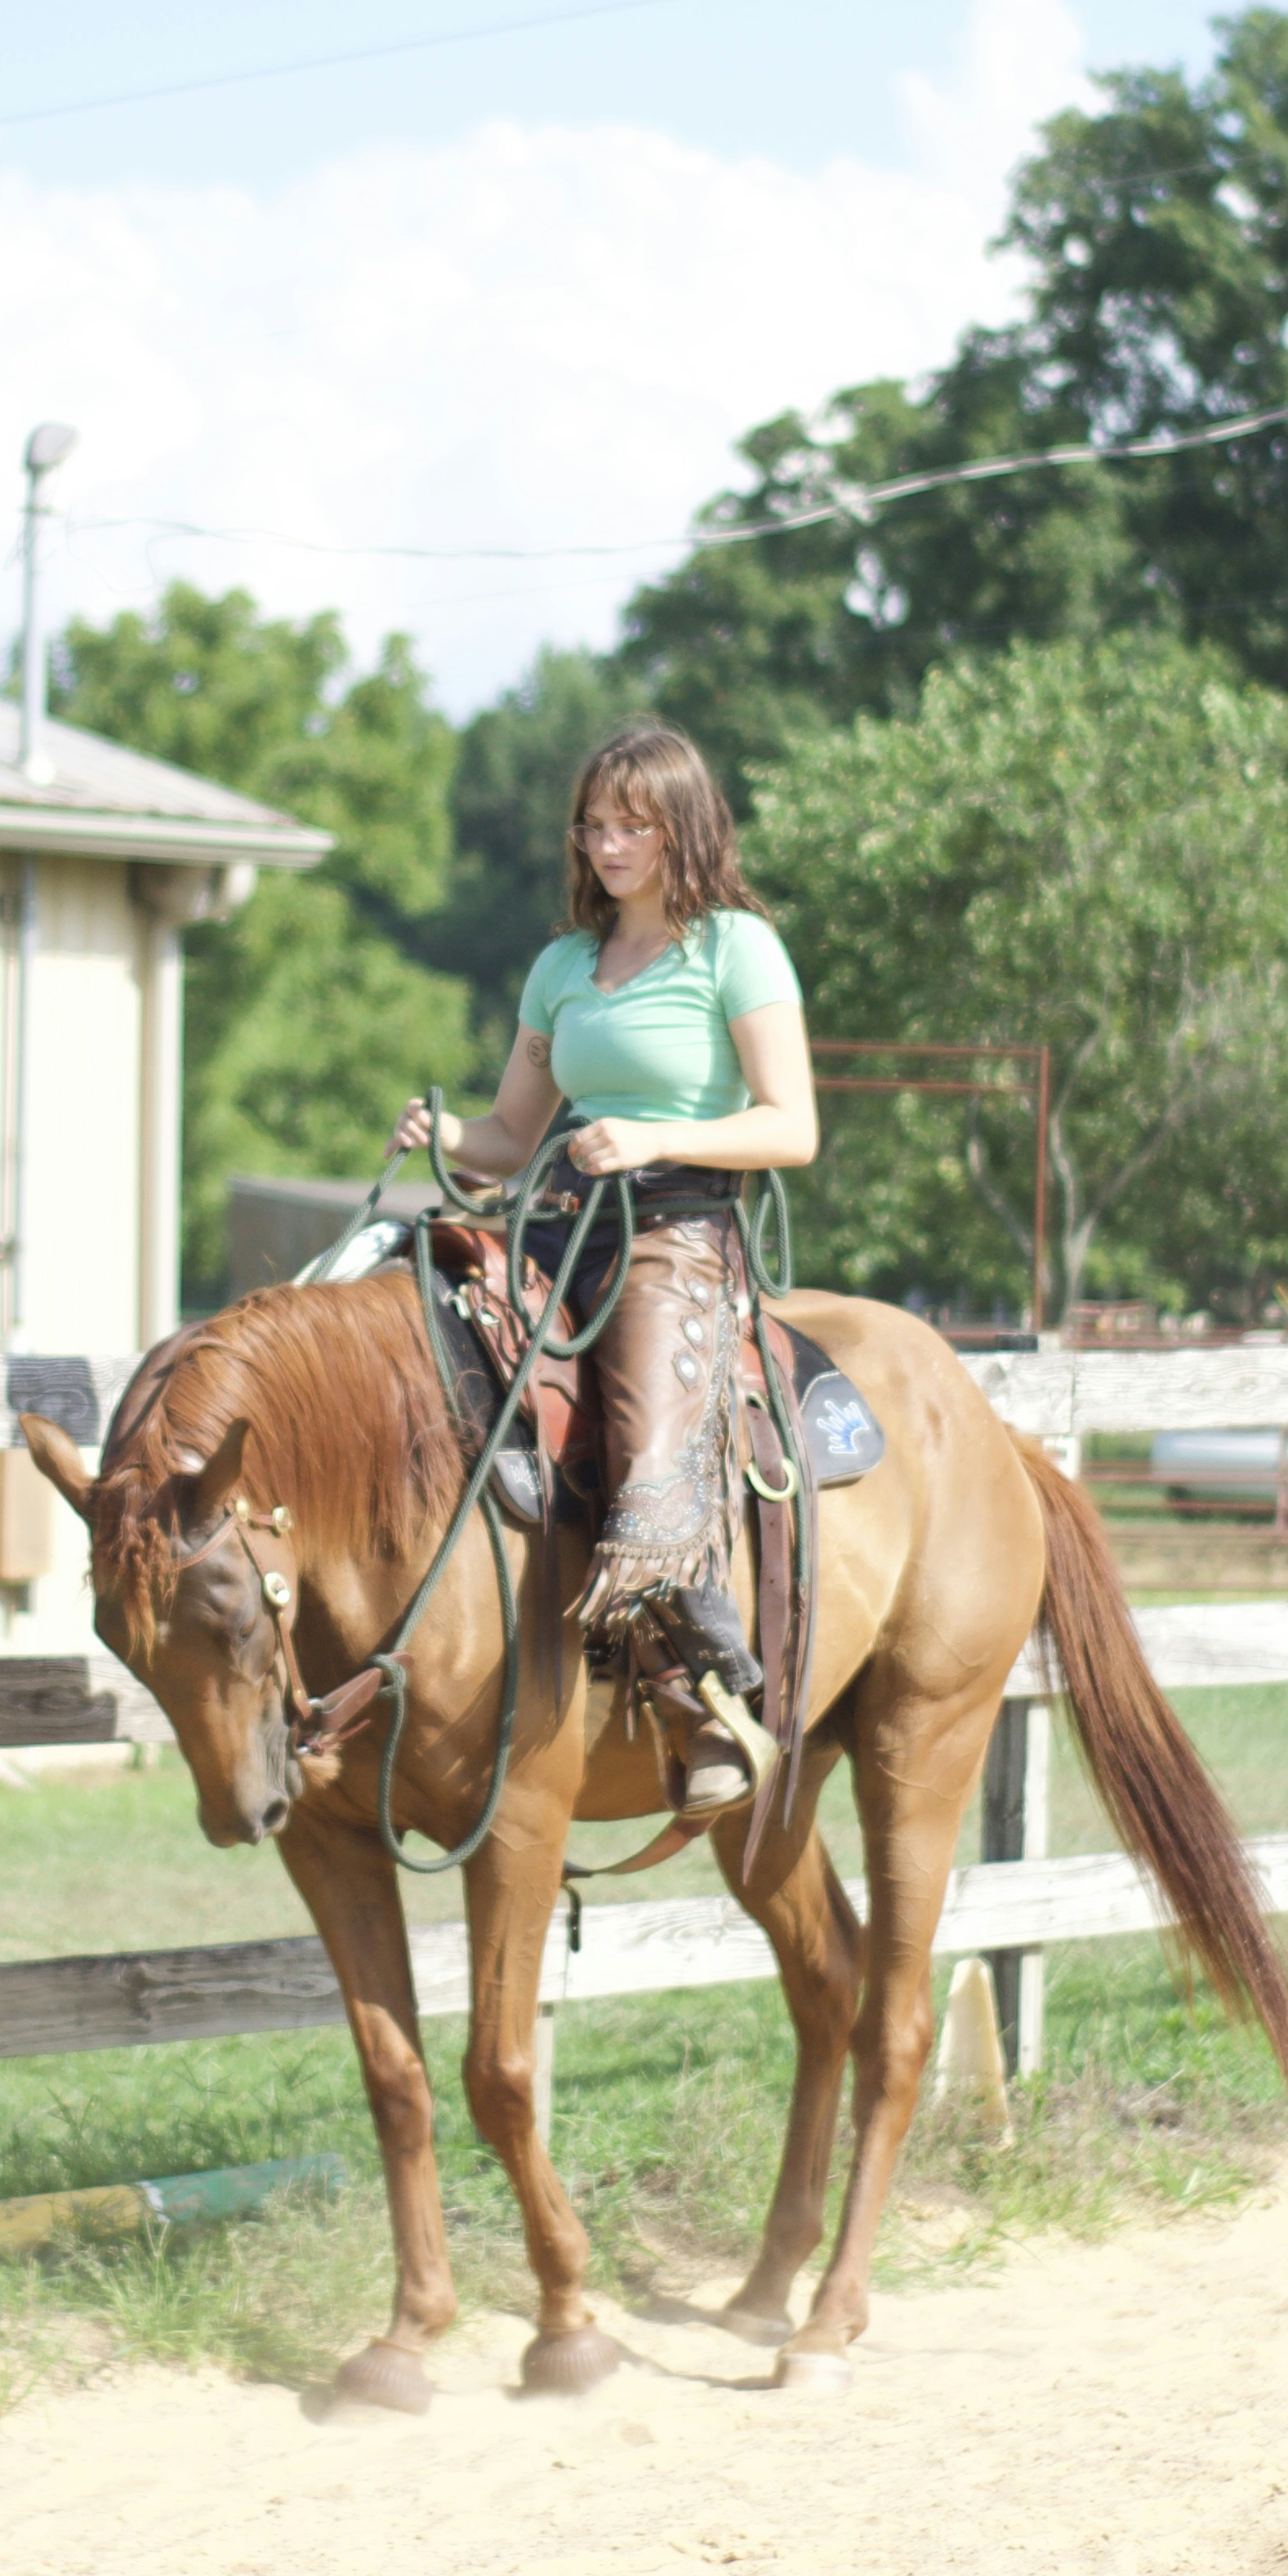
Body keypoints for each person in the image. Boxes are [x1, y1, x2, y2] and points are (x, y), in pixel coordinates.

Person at [394, 722, 816, 1815]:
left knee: (645, 1443)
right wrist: (443, 1132)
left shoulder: (735, 949)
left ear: (682, 826)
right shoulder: (563, 966)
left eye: (632, 822)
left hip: (676, 1238)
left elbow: (791, 1128)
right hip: (558, 1219)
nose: (608, 843)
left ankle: (701, 1693)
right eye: (593, 822)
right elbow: (508, 1133)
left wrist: (652, 1138)